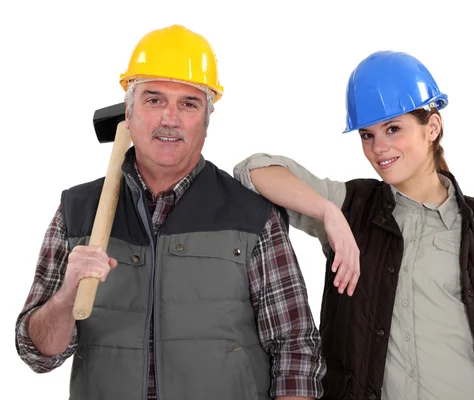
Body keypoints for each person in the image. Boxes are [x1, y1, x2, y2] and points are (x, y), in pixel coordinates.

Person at [233, 51, 474, 400]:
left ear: (433, 128)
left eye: (393, 129)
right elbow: (254, 170)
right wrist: (328, 213)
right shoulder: (352, 207)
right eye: (367, 135)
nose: (379, 148)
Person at [15, 24, 325, 400]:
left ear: (207, 122)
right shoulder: (77, 212)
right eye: (154, 99)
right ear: (128, 113)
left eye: (189, 104)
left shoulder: (253, 216)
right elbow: (38, 354)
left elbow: (295, 347)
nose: (170, 119)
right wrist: (66, 294)